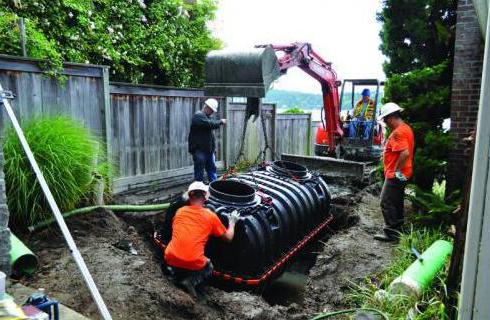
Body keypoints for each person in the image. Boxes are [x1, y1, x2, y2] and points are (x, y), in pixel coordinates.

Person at [164, 181, 240, 296]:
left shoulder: (179, 211)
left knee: (181, 252)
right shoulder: (210, 216)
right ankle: (190, 281)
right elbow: (228, 238)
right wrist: (232, 222)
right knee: (209, 265)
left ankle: (174, 274)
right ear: (205, 197)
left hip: (170, 257)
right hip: (193, 261)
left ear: (189, 197)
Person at [374, 102, 414, 242]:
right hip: (404, 173)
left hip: (395, 174)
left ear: (391, 117)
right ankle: (398, 228)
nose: (385, 123)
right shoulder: (406, 128)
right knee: (397, 201)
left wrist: (396, 170)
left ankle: (391, 232)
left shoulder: (398, 133)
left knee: (386, 201)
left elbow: (405, 153)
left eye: (385, 120)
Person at [188, 98, 226, 182]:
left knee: (212, 169)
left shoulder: (207, 117)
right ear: (206, 107)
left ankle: (214, 186)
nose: (212, 112)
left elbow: (210, 130)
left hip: (209, 150)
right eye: (212, 110)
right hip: (199, 151)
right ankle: (199, 189)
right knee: (199, 171)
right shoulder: (198, 116)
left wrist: (213, 149)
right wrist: (221, 121)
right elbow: (210, 124)